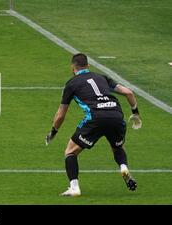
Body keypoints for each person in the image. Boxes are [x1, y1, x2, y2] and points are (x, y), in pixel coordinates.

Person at [45, 53, 142, 196]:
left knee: (70, 152)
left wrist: (53, 132)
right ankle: (123, 167)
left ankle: (74, 187)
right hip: (116, 114)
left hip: (96, 118)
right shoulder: (102, 77)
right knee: (117, 147)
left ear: (73, 68)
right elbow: (128, 92)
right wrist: (135, 113)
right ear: (88, 66)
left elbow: (61, 114)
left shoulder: (71, 84)